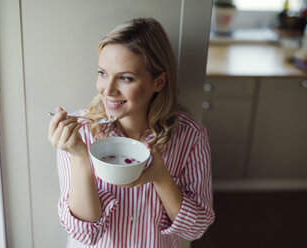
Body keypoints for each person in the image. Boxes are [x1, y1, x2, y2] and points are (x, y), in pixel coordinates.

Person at [48, 18, 215, 248]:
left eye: (125, 78)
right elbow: (84, 234)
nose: (108, 90)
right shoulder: (80, 132)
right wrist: (79, 157)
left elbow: (195, 229)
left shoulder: (189, 135)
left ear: (159, 82)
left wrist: (160, 177)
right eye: (103, 73)